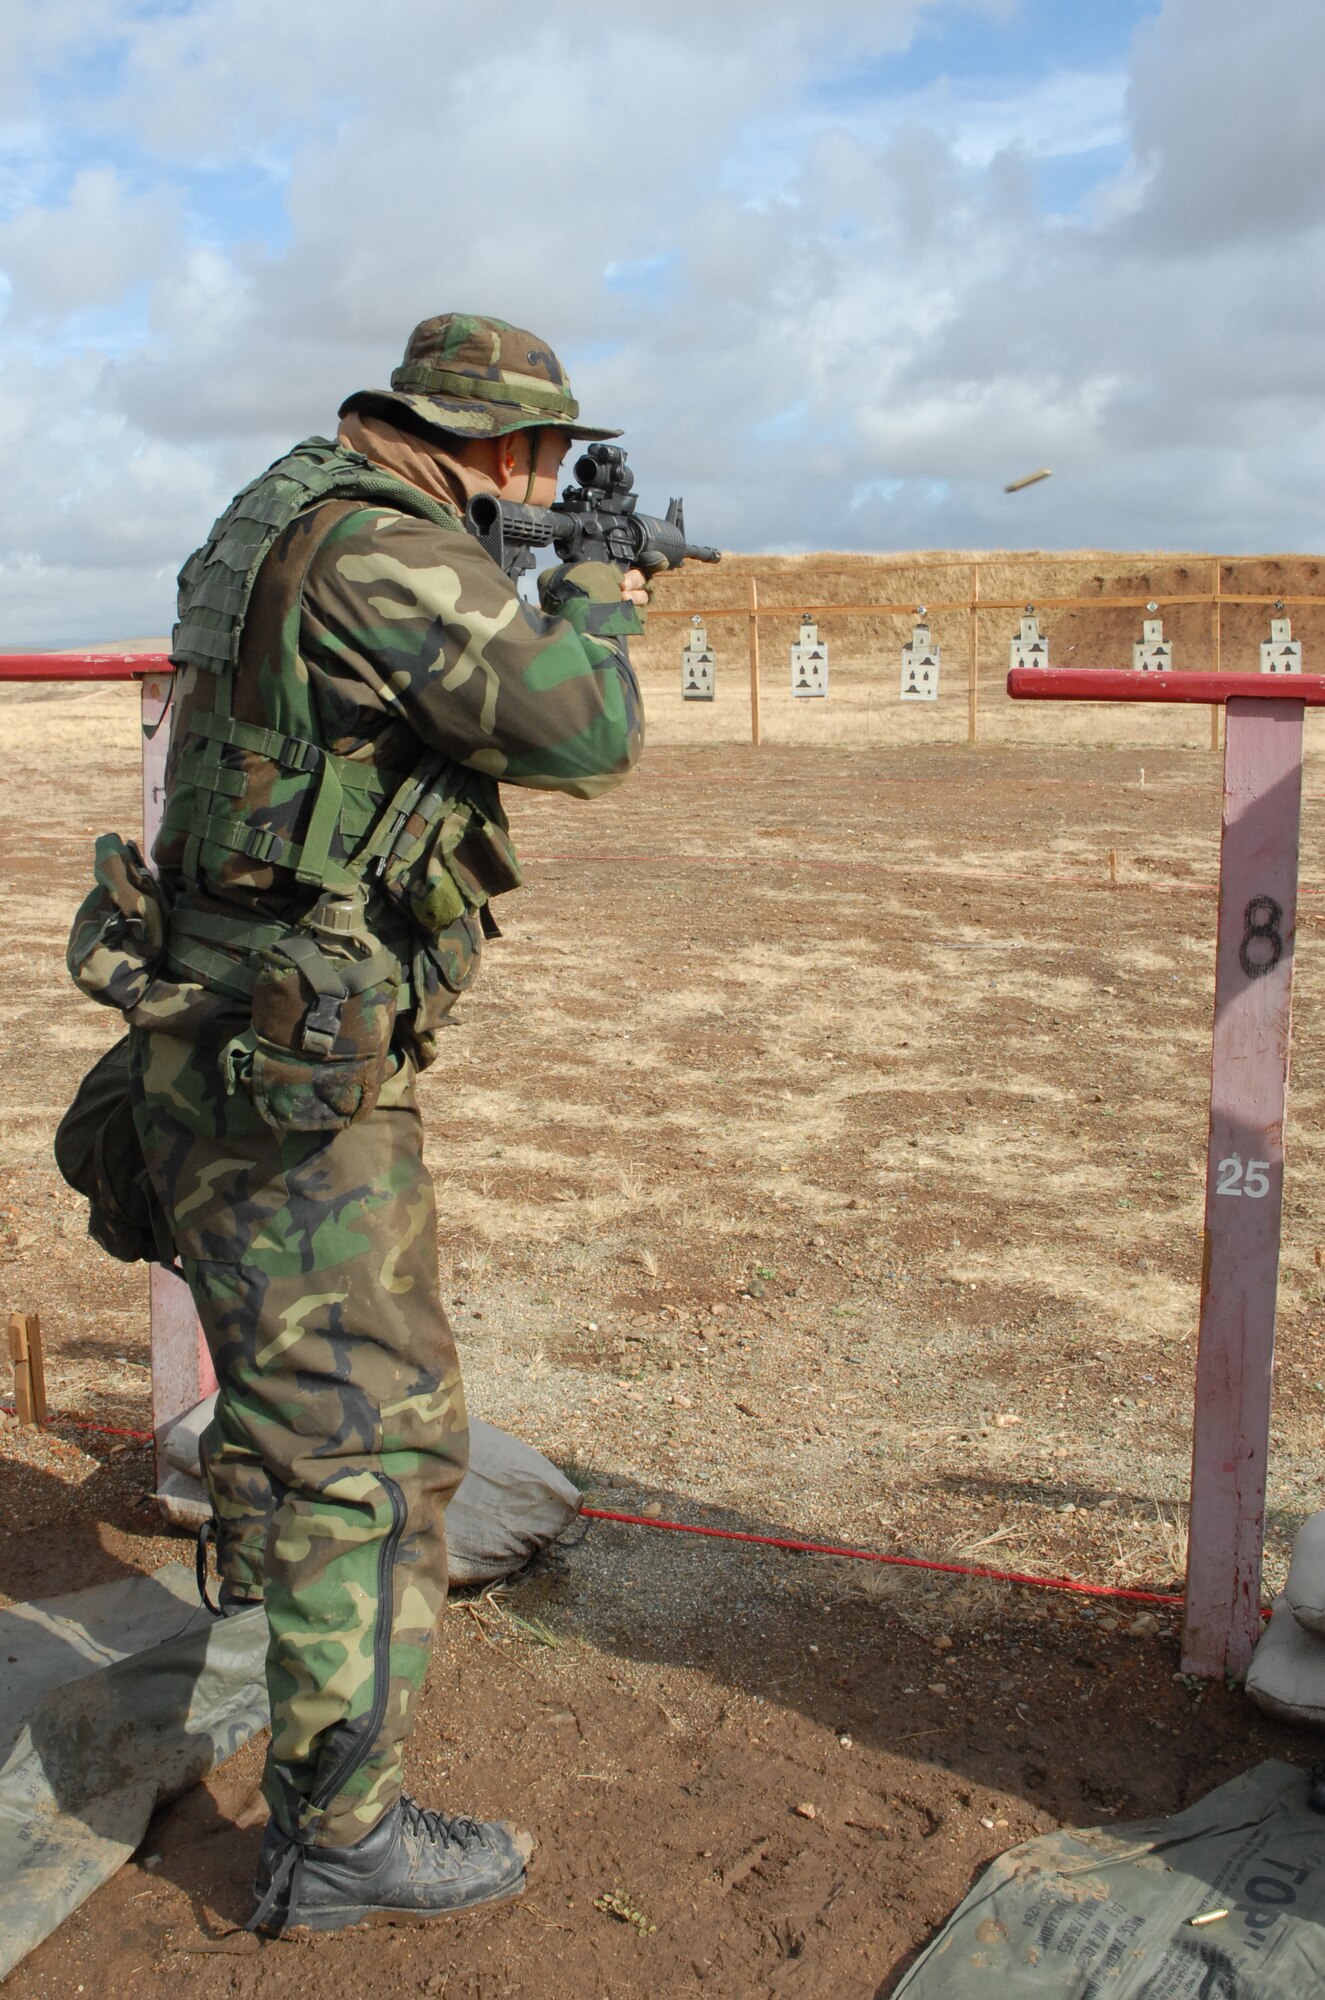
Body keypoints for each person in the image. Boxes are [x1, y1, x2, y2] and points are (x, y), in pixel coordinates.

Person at [126, 314, 648, 1932]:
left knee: (304, 1414)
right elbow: (587, 734)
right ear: (496, 447)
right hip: (290, 1077)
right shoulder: (390, 556)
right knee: (371, 1434)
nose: (549, 487)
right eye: (546, 465)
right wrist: (599, 598)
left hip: (228, 1022)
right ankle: (338, 1839)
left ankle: (308, 1744)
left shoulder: (289, 503)